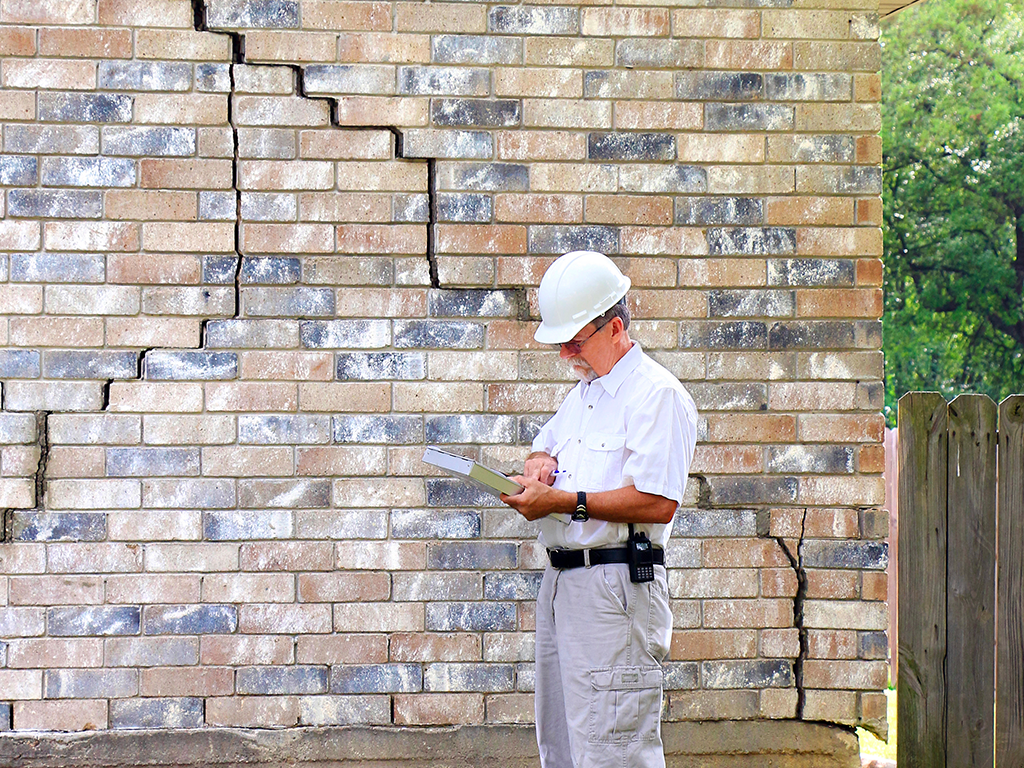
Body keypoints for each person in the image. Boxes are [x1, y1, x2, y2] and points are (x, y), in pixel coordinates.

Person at [501, 250, 698, 768]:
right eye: (560, 343)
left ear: (614, 327)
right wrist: (539, 461)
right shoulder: (585, 394)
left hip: (616, 587)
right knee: (563, 749)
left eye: (575, 340)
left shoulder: (656, 395)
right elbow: (545, 448)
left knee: (614, 751)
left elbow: (658, 501)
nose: (567, 353)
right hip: (565, 584)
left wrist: (566, 501)